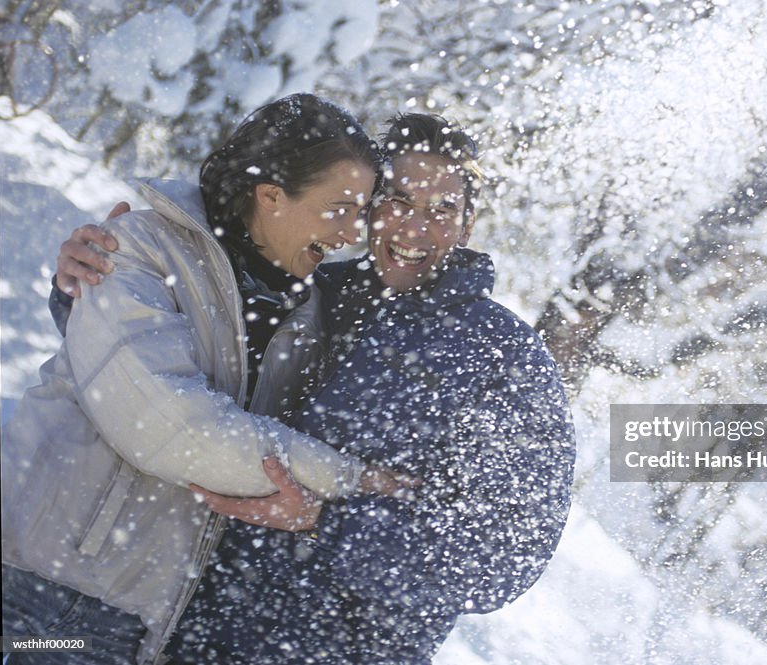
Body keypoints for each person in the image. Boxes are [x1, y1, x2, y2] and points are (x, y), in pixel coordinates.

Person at [50, 113, 577, 663]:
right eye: (396, 200)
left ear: (468, 225)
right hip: (190, 632)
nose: (414, 229)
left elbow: (507, 555)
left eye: (442, 210)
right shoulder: (308, 293)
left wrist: (327, 522)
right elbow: (161, 369)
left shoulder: (504, 359)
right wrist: (88, 279)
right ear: (368, 206)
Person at [0, 94, 410, 665]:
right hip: (32, 590)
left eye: (361, 212)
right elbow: (174, 428)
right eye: (339, 207)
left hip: (134, 622)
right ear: (270, 195)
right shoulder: (139, 245)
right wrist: (352, 481)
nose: (351, 233)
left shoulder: (308, 319)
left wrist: (316, 509)